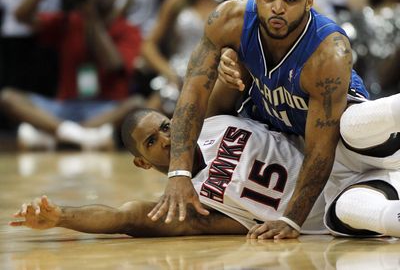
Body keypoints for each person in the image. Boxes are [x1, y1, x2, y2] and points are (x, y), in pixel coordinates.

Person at [147, 0, 400, 240]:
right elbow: (192, 95)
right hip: (338, 173)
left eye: (290, 0)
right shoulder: (228, 21)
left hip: (370, 142)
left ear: (309, 3)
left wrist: (291, 219)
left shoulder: (329, 49)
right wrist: (178, 173)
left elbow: (322, 147)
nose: (277, 8)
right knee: (344, 214)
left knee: (348, 126)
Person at [10, 109, 400, 238]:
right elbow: (127, 217)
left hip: (343, 154)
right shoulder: (190, 203)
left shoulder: (214, 118)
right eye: (150, 142)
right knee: (354, 213)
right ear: (142, 163)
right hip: (342, 201)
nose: (165, 138)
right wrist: (62, 216)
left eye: (165, 125)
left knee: (351, 122)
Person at [0, 0, 142, 150]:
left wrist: (92, 19)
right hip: (63, 107)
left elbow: (112, 63)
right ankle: (80, 137)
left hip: (103, 108)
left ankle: (54, 135)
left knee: (136, 104)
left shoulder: (128, 29)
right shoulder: (71, 21)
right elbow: (21, 15)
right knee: (8, 97)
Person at [141, 0, 219, 114]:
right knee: (148, 119)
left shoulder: (229, 3)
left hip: (217, 75)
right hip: (179, 75)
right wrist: (168, 72)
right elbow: (148, 46)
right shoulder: (177, 1)